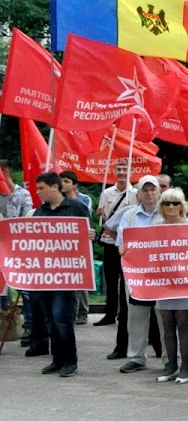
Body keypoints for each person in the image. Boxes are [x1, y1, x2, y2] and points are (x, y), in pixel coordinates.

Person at [27, 172, 92, 377]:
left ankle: (70, 361)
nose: (38, 193)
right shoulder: (40, 211)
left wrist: (91, 235)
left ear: (55, 187)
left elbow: (89, 236)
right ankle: (57, 359)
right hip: (46, 275)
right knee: (50, 319)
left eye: (41, 188)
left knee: (61, 317)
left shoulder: (76, 208)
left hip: (67, 274)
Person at [111, 175, 165, 374]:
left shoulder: (169, 212)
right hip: (137, 275)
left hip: (162, 274)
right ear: (139, 194)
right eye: (145, 190)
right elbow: (121, 243)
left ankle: (169, 357)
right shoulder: (129, 215)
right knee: (135, 317)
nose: (150, 194)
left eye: (153, 190)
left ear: (159, 191)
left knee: (165, 316)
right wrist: (123, 249)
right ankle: (136, 357)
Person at [153, 187, 188, 384]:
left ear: (182, 206)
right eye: (167, 203)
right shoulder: (155, 227)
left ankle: (184, 366)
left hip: (184, 283)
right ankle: (171, 365)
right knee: (167, 325)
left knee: (182, 323)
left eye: (175, 203)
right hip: (163, 282)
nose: (171, 206)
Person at [95, 160, 135, 327]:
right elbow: (103, 219)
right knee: (111, 280)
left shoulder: (135, 193)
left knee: (125, 279)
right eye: (118, 169)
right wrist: (100, 215)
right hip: (109, 240)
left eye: (125, 169)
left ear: (131, 172)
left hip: (126, 243)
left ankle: (124, 313)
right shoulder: (106, 193)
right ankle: (109, 313)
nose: (121, 172)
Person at [59, 170, 93, 325]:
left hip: (79, 245)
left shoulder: (83, 201)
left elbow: (87, 224)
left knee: (80, 279)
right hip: (62, 247)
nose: (63, 184)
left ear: (74, 185)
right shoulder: (56, 203)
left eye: (66, 181)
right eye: (61, 181)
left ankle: (83, 312)